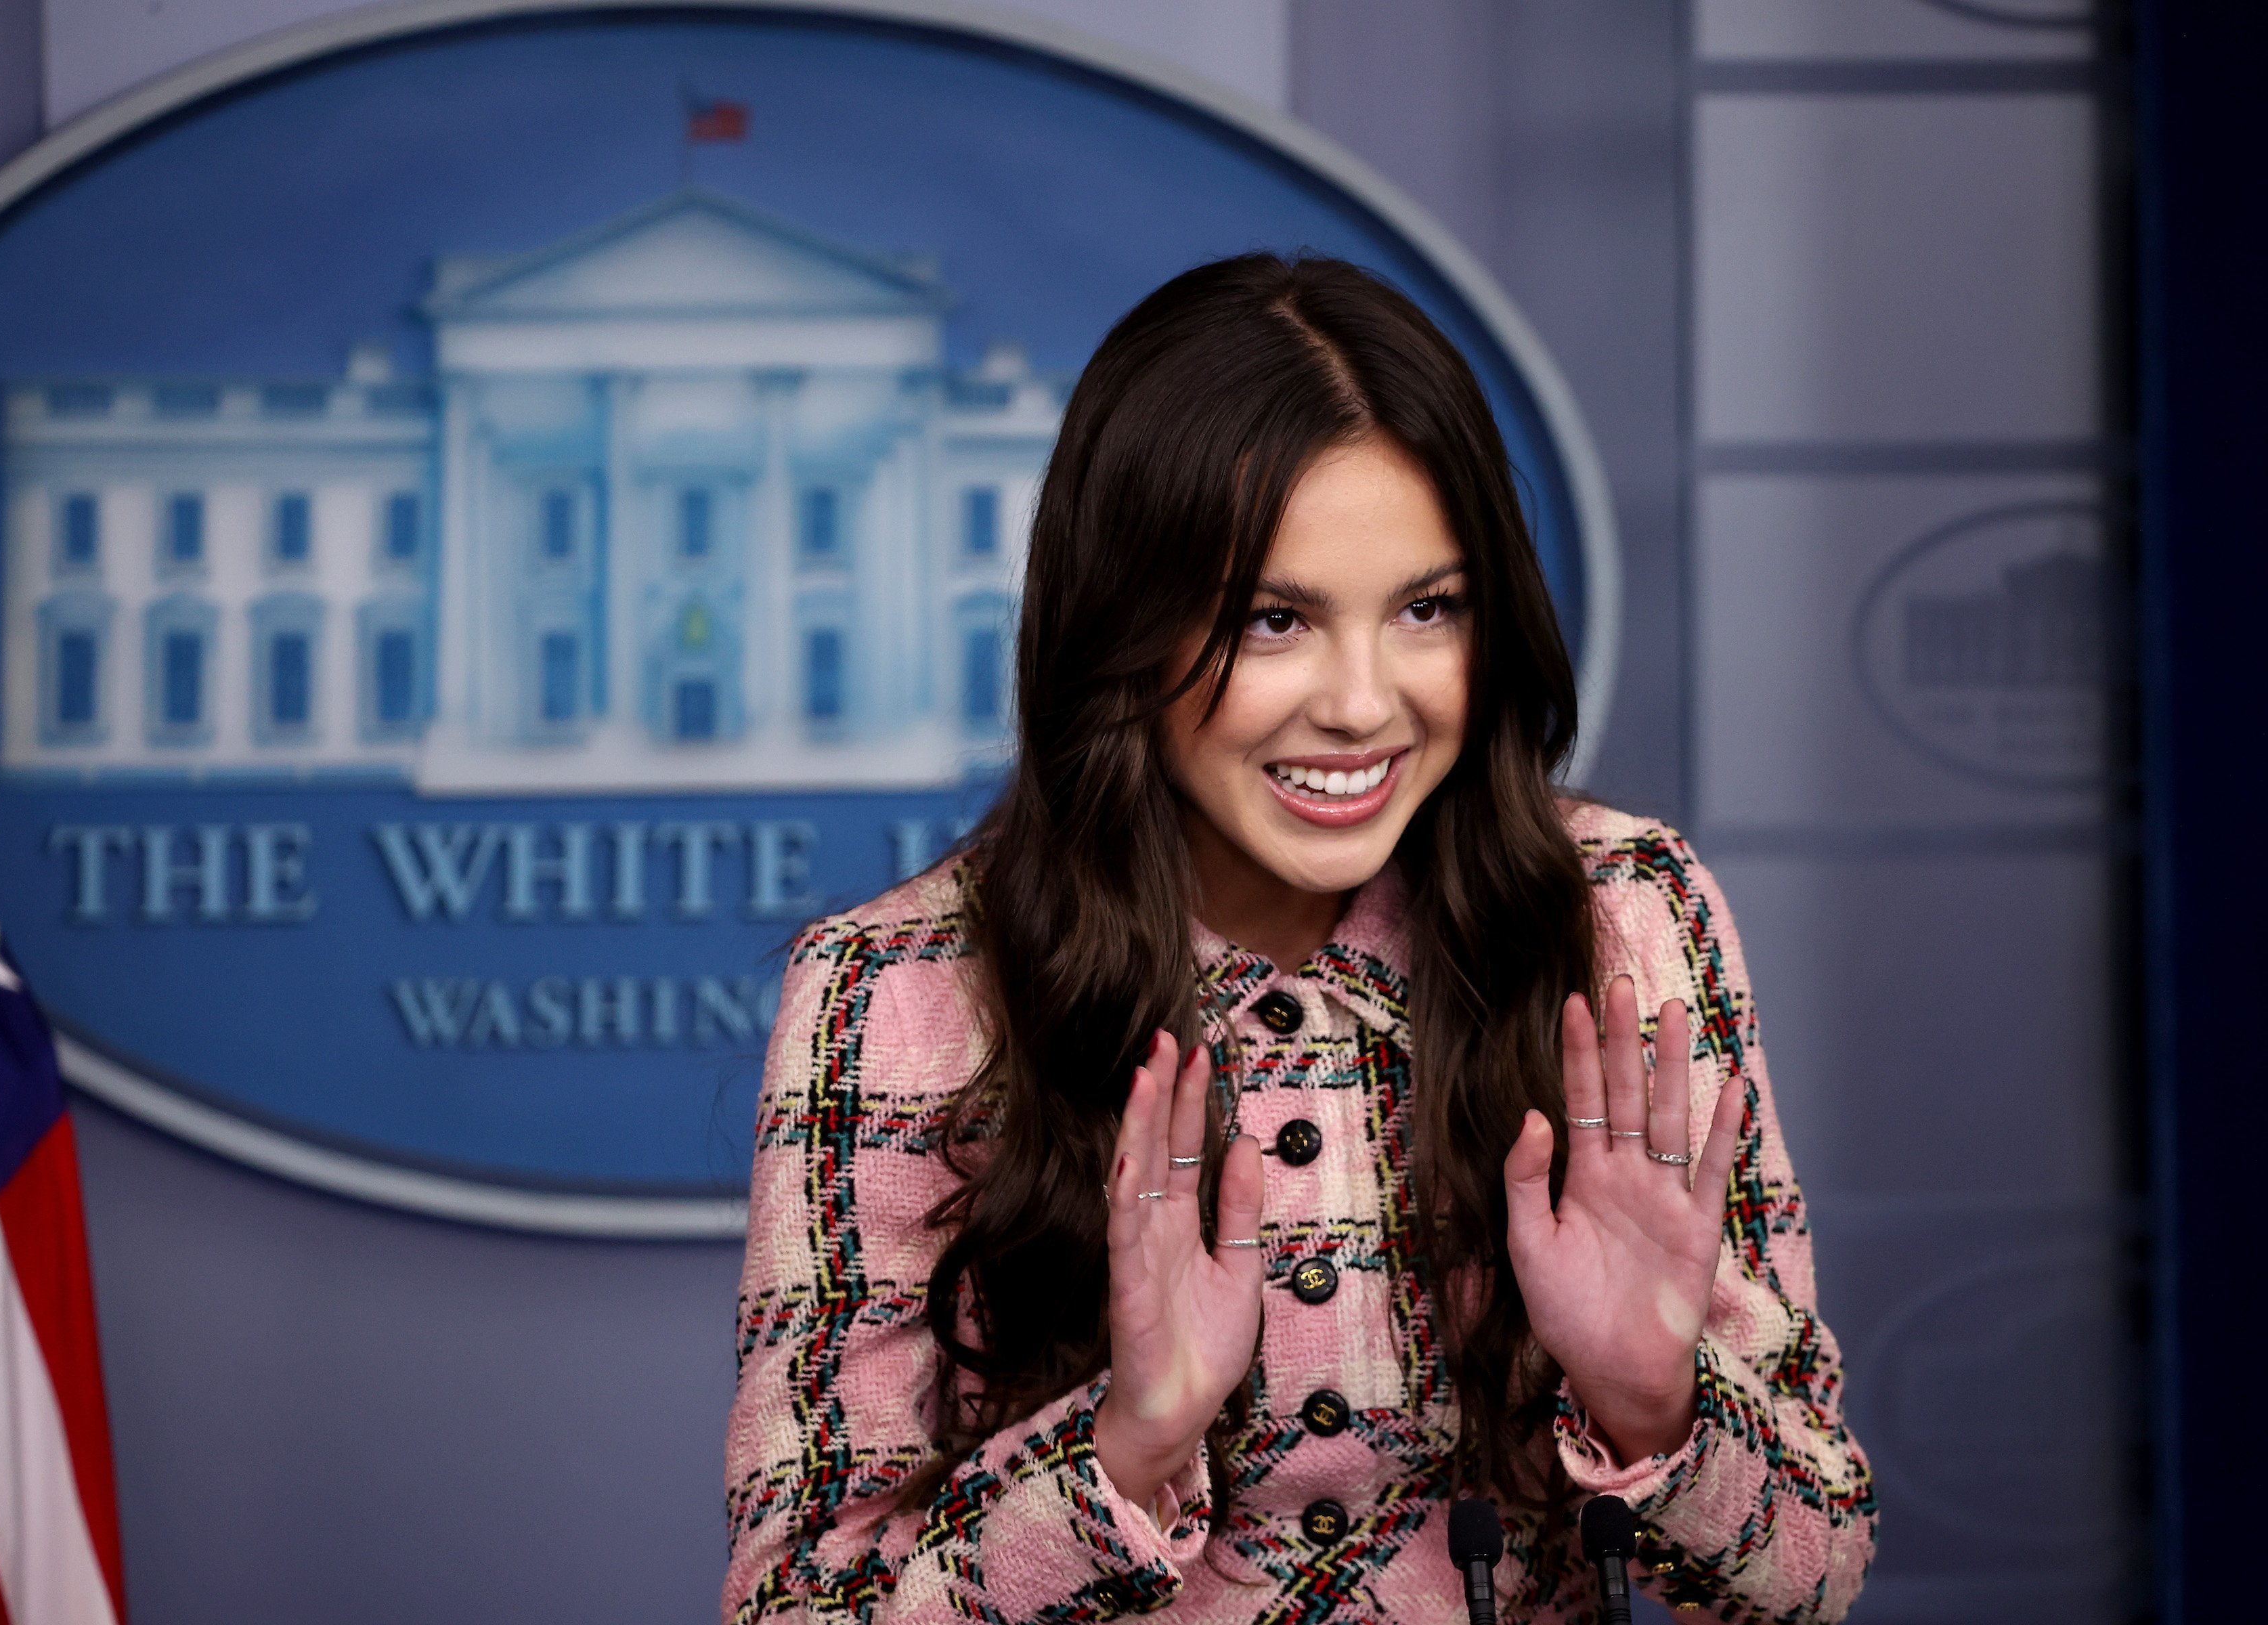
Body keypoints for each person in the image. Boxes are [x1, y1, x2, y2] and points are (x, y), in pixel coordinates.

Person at [722, 255, 1875, 1623]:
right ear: (1123, 632)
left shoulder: (1624, 912)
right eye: (1275, 619)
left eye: (1427, 610)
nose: (1361, 703)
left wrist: (1652, 1399)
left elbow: (1816, 1581)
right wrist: (1125, 1447)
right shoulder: (890, 997)